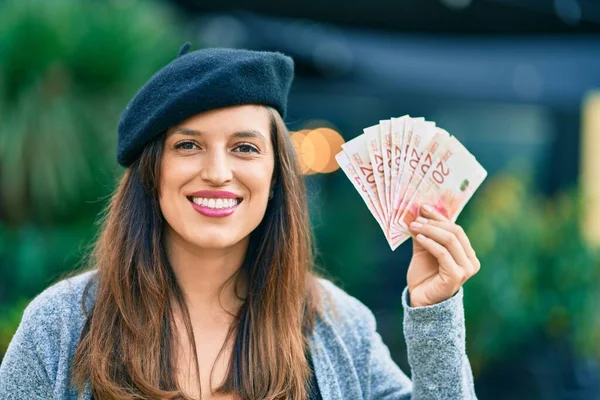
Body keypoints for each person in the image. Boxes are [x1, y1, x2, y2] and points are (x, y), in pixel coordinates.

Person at [0, 44, 480, 399]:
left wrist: (432, 313)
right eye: (188, 145)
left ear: (275, 176)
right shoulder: (59, 326)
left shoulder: (338, 326)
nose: (217, 172)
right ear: (153, 171)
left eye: (245, 148)